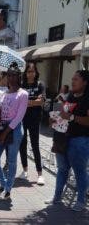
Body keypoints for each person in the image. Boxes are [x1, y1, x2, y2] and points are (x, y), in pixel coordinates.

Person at [45, 70, 89, 212]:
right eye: (73, 78)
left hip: (80, 141)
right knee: (62, 169)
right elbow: (63, 115)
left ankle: (81, 201)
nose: (72, 81)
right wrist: (55, 120)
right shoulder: (69, 96)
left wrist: (70, 117)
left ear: (85, 82)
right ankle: (56, 197)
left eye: (76, 79)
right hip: (62, 139)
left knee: (79, 171)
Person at [0, 62, 28, 200]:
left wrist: (5, 133)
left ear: (19, 77)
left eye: (14, 75)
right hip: (2, 128)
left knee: (11, 161)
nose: (11, 78)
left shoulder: (23, 94)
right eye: (9, 75)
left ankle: (7, 190)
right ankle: (4, 184)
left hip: (15, 129)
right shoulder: (4, 93)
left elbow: (19, 116)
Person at [19, 62, 46, 185]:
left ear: (36, 72)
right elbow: (19, 102)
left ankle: (40, 174)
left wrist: (28, 102)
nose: (30, 74)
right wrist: (33, 101)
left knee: (35, 145)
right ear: (25, 73)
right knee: (22, 144)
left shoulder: (40, 85)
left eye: (32, 71)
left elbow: (41, 102)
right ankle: (25, 171)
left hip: (35, 119)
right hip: (23, 118)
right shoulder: (21, 85)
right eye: (28, 71)